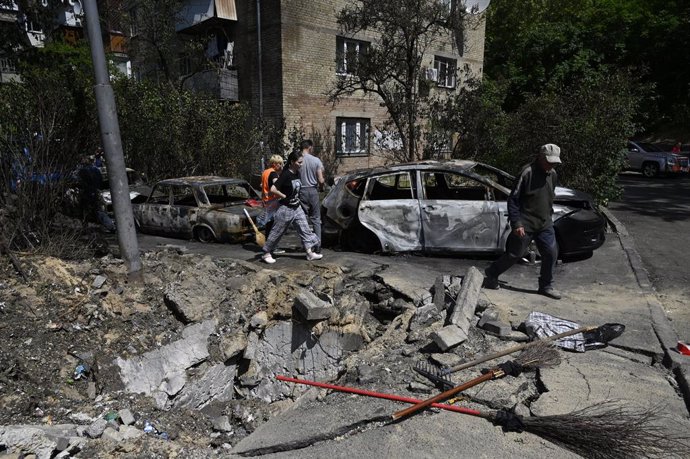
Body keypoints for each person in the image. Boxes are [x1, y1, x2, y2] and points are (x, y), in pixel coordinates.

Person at [484, 144, 562, 299]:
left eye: (554, 162)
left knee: (551, 253)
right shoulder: (527, 172)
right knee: (514, 254)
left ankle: (546, 286)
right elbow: (513, 199)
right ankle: (492, 273)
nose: (551, 165)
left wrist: (549, 215)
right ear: (540, 157)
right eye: (549, 161)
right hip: (525, 223)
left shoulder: (552, 174)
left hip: (545, 223)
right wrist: (517, 223)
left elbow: (549, 195)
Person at [261, 150, 322, 264]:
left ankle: (309, 253)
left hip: (296, 207)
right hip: (285, 208)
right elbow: (273, 189)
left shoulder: (297, 173)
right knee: (277, 232)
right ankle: (266, 253)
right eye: (299, 162)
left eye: (302, 162)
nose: (301, 164)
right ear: (292, 162)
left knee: (305, 229)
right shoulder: (285, 174)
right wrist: (283, 195)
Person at [298, 139, 325, 252]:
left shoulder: (298, 160)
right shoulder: (316, 160)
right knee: (316, 219)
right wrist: (322, 187)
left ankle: (306, 246)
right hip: (313, 191)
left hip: (301, 191)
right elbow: (320, 179)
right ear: (309, 147)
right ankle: (317, 246)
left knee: (302, 220)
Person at [78, 155, 115, 232]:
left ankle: (85, 228)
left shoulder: (82, 171)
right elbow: (101, 181)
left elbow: (81, 183)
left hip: (87, 193)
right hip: (95, 192)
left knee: (85, 211)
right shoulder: (96, 170)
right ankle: (110, 226)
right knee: (98, 210)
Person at [259, 154, 284, 238]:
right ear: (274, 163)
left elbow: (262, 185)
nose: (280, 165)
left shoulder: (265, 172)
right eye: (279, 163)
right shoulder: (273, 174)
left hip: (265, 200)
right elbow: (277, 184)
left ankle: (268, 243)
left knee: (268, 223)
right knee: (273, 224)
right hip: (273, 201)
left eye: (281, 164)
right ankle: (272, 245)